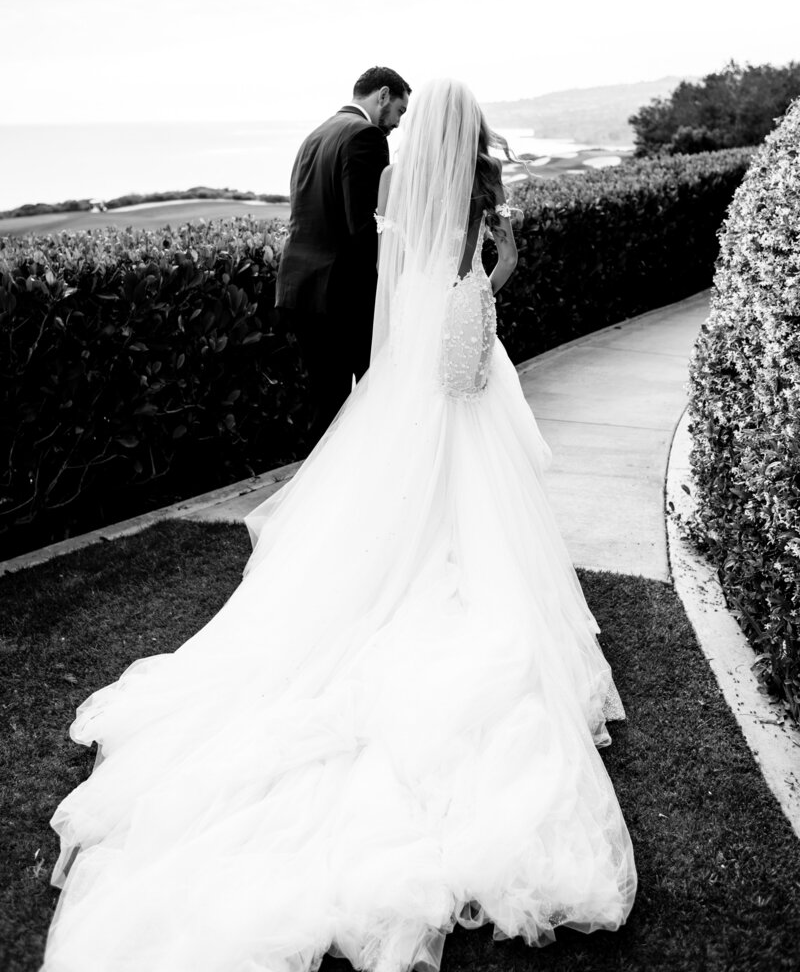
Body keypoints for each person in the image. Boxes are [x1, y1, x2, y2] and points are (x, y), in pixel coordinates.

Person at [42, 79, 636, 972]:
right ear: (458, 131)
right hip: (462, 358)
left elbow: (394, 273)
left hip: (408, 357)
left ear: (414, 124)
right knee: (476, 496)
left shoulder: (390, 173)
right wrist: (504, 256)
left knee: (383, 479)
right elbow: (483, 279)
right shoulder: (475, 186)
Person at [276, 66, 411, 444]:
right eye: (399, 111)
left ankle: (317, 495)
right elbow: (365, 228)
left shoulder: (315, 134)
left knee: (326, 403)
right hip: (344, 297)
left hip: (300, 290)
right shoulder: (365, 136)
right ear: (382, 95)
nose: (397, 124)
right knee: (376, 397)